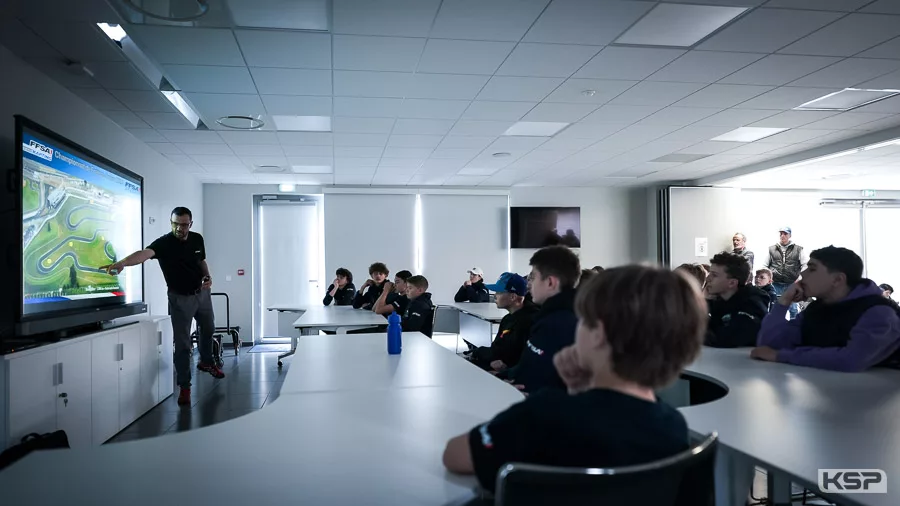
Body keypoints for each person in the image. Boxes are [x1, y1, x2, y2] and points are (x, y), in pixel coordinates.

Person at [442, 265, 706, 491]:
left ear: (597, 334)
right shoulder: (675, 428)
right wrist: (580, 391)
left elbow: (455, 455)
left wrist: (558, 398)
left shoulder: (543, 413)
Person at [101, 207, 223, 406]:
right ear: (171, 223)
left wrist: (208, 276)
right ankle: (185, 386)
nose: (179, 229)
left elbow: (201, 261)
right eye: (175, 224)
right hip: (180, 299)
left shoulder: (197, 239)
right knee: (183, 344)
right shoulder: (164, 243)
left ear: (190, 224)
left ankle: (206, 362)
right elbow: (144, 254)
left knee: (209, 329)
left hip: (201, 294)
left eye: (183, 225)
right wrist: (123, 262)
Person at [752, 246, 900, 372]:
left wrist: (781, 356)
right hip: (834, 392)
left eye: (812, 269)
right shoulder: (817, 308)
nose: (802, 274)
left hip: (878, 399)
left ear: (837, 280)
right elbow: (767, 346)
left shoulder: (879, 311)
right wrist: (783, 302)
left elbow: (851, 360)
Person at [496, 246, 579, 394]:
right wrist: (503, 377)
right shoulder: (546, 318)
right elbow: (531, 366)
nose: (529, 284)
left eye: (533, 278)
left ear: (550, 283)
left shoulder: (563, 325)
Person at [466, 273, 538, 372]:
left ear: (513, 297)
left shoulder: (531, 321)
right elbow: (497, 350)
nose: (495, 296)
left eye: (499, 292)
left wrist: (507, 371)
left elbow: (527, 359)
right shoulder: (507, 319)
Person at [704, 253, 769, 348]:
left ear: (732, 283)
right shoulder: (720, 302)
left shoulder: (752, 304)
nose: (707, 279)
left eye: (714, 275)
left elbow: (725, 338)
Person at [764, 227, 807, 320]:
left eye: (785, 234)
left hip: (792, 284)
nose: (782, 236)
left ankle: (794, 330)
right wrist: (767, 278)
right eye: (781, 234)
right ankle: (774, 328)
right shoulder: (772, 249)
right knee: (774, 308)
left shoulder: (798, 249)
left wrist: (799, 279)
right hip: (776, 284)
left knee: (793, 309)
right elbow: (765, 266)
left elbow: (805, 265)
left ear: (790, 235)